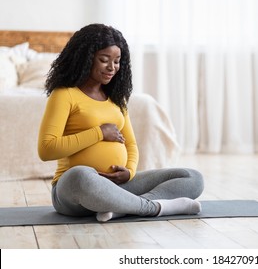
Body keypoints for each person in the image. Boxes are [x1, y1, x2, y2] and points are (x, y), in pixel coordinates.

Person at [37, 23, 204, 222]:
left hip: (119, 187)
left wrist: (130, 171)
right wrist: (99, 132)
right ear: (85, 58)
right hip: (75, 191)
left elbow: (131, 145)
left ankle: (120, 208)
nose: (112, 67)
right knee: (81, 175)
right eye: (104, 60)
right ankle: (150, 207)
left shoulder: (116, 98)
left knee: (192, 177)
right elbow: (46, 149)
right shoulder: (64, 95)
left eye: (117, 61)